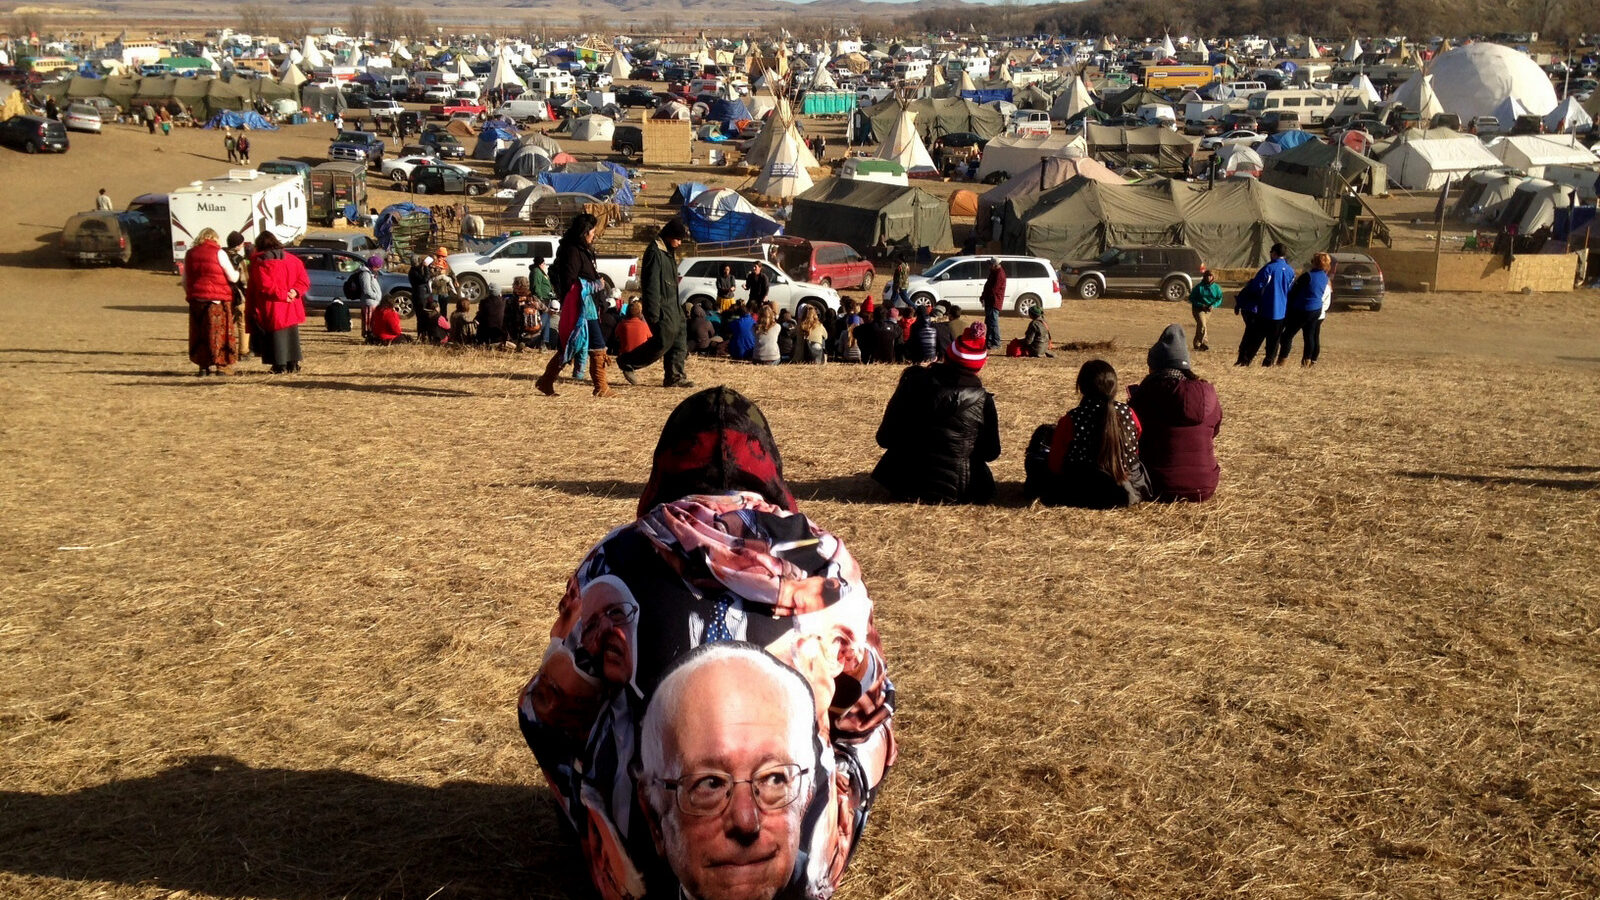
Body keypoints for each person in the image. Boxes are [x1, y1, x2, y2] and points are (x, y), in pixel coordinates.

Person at [517, 386, 895, 900]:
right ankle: (814, 863)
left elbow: (549, 712)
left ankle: (619, 851)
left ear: (664, 473)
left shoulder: (618, 558)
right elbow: (867, 717)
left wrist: (603, 781)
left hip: (645, 875)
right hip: (797, 874)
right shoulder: (828, 564)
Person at [871, 323, 1000, 504]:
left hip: (903, 483)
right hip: (960, 489)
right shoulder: (983, 400)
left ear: (945, 357)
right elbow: (991, 452)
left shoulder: (912, 382)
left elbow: (884, 438)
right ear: (979, 367)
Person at [1024, 359, 1152, 508]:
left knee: (1036, 457)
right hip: (1127, 489)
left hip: (1082, 490)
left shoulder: (1072, 419)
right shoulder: (1128, 413)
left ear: (1081, 388)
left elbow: (1055, 464)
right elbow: (1135, 447)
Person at [1129, 325, 1223, 502]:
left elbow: (1134, 436)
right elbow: (1214, 432)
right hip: (1205, 485)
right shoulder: (1207, 392)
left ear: (1155, 366)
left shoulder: (1148, 392)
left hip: (1157, 484)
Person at [537, 213, 612, 397]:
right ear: (585, 232)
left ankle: (546, 381)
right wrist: (596, 285)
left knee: (571, 345)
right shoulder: (572, 251)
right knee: (594, 345)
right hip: (581, 307)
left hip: (589, 306)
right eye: (592, 232)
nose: (594, 235)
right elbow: (571, 282)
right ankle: (601, 388)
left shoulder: (581, 248)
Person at [619, 219, 692, 388]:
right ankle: (628, 362)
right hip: (662, 307)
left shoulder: (668, 250)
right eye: (678, 239)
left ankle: (675, 377)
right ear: (669, 235)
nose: (680, 243)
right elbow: (651, 285)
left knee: (680, 340)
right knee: (662, 342)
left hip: (674, 305)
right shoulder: (655, 252)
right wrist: (653, 314)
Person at [244, 231, 309, 374]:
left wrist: (283, 294)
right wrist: (295, 291)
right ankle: (293, 363)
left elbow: (264, 285)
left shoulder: (260, 263)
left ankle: (279, 365)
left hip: (273, 304)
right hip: (291, 304)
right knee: (291, 335)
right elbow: (303, 280)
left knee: (275, 336)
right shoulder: (293, 260)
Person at [183, 227, 240, 376]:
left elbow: (185, 279)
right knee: (218, 333)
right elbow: (232, 277)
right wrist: (238, 273)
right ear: (215, 238)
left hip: (197, 300)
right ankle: (221, 365)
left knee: (200, 333)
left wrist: (191, 294)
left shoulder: (190, 254)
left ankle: (203, 366)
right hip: (217, 300)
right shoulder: (219, 252)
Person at [1236, 243, 1293, 367]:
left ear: (1275, 253)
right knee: (1274, 339)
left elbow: (1257, 286)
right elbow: (1290, 289)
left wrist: (1247, 293)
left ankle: (1246, 360)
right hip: (1281, 311)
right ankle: (1269, 361)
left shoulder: (1269, 268)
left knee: (1256, 337)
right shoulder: (1290, 270)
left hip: (1266, 309)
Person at [1278, 251, 1331, 367]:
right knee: (1309, 336)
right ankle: (1306, 361)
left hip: (1302, 309)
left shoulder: (1307, 276)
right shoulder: (1325, 277)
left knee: (1287, 335)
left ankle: (1282, 360)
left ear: (1314, 263)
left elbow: (1293, 293)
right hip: (1316, 309)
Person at [224, 232, 251, 357]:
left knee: (225, 323)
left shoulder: (220, 256)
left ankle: (223, 348)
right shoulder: (239, 260)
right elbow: (244, 280)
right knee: (242, 323)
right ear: (238, 245)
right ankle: (243, 351)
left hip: (222, 294)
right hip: (238, 295)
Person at [1188, 269, 1222, 351]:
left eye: (1210, 276)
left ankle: (1196, 344)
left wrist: (1213, 305)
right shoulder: (1199, 287)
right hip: (1198, 309)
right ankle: (1204, 343)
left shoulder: (1216, 288)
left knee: (1201, 326)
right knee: (1203, 324)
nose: (1209, 278)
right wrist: (1201, 305)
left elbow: (1219, 298)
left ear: (1213, 277)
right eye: (1207, 276)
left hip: (1208, 310)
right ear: (1204, 277)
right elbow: (1191, 298)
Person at [529, 256, 557, 349]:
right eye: (544, 263)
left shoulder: (541, 272)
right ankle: (534, 338)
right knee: (544, 319)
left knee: (547, 319)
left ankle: (544, 341)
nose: (545, 265)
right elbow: (536, 286)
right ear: (540, 264)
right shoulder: (536, 272)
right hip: (542, 299)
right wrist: (539, 297)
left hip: (547, 298)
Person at [353, 255, 384, 339]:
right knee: (369, 322)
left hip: (373, 302)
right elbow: (366, 290)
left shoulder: (371, 273)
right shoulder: (365, 274)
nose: (379, 268)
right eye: (378, 267)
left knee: (372, 321)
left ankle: (371, 335)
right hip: (369, 302)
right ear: (373, 266)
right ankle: (368, 336)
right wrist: (377, 297)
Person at [979, 258, 1006, 349]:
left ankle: (996, 342)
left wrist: (985, 297)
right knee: (989, 322)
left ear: (994, 265)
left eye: (990, 264)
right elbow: (988, 286)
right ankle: (989, 341)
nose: (989, 266)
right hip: (989, 301)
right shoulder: (993, 272)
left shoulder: (999, 275)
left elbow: (993, 290)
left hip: (994, 302)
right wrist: (983, 296)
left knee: (993, 323)